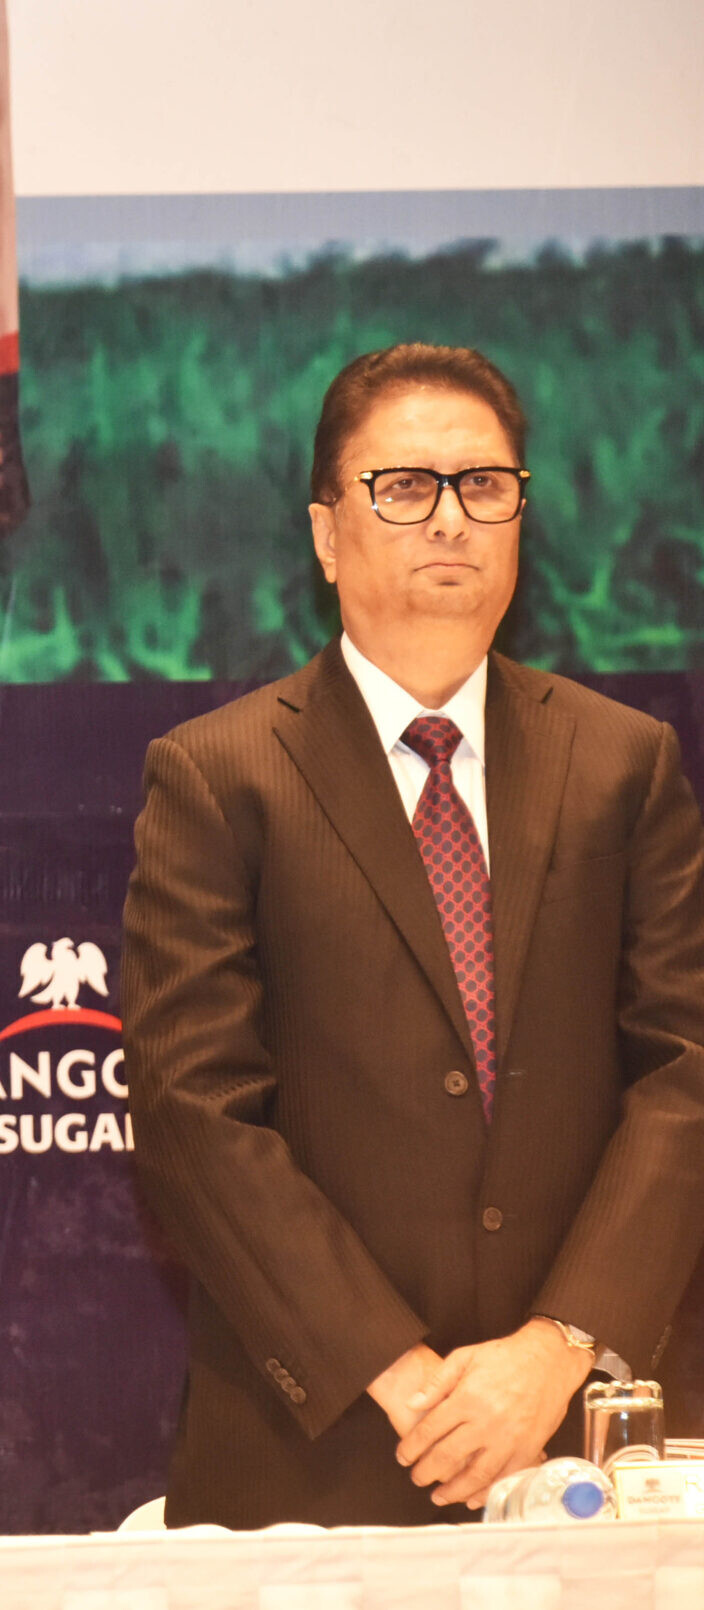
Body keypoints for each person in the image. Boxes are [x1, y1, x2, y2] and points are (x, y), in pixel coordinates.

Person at [123, 344, 704, 1527]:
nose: (450, 517)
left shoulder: (622, 764)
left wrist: (551, 1350)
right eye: (403, 486)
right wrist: (403, 1376)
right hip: (319, 1444)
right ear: (328, 534)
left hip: (585, 1438)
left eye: (483, 485)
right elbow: (195, 1107)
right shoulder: (218, 774)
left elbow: (684, 1073)